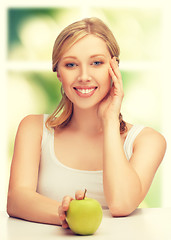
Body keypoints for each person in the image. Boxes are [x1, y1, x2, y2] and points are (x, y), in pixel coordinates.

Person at [7, 17, 166, 229]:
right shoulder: (33, 129)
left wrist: (109, 120)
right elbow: (17, 199)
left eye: (96, 63)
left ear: (114, 68)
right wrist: (64, 213)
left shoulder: (147, 141)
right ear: (58, 73)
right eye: (71, 64)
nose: (84, 76)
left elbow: (121, 204)